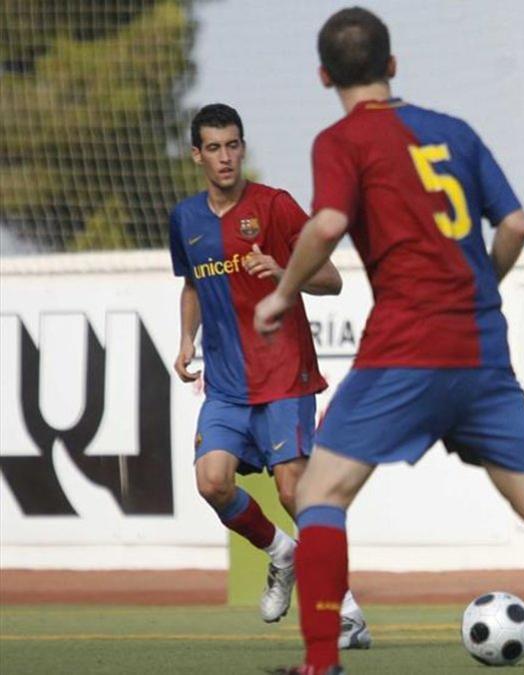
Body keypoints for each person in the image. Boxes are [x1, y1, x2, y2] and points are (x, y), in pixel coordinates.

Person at [253, 9, 524, 674]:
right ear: (392, 66)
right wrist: (482, 285)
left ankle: (319, 663)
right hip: (480, 349)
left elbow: (330, 220)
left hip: (404, 347)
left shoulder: (341, 140)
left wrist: (281, 294)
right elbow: (513, 223)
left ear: (322, 76)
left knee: (318, 495)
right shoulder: (455, 132)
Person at [169, 103, 370, 649]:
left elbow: (331, 280)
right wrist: (187, 339)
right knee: (212, 481)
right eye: (213, 147)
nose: (225, 156)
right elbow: (192, 286)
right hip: (227, 385)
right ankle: (282, 554)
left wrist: (284, 272)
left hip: (284, 372)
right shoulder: (185, 219)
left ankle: (346, 610)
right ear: (197, 155)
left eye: (233, 144)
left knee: (293, 490)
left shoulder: (274, 207)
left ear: (242, 147)